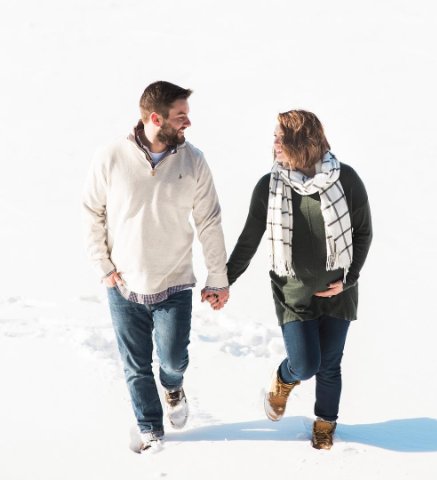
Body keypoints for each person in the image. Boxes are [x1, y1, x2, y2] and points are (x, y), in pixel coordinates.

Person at [82, 81, 229, 453]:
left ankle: (174, 385)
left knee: (173, 358)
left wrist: (218, 278)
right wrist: (104, 265)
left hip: (175, 280)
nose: (188, 123)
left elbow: (209, 220)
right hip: (124, 283)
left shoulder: (193, 160)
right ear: (154, 118)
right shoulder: (111, 157)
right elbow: (92, 212)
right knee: (135, 365)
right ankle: (151, 431)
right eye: (181, 116)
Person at [224, 110, 372, 450]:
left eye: (281, 137)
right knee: (306, 363)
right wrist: (224, 280)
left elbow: (363, 232)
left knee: (330, 364)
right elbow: (250, 238)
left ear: (302, 142)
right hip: (293, 293)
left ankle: (325, 424)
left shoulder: (345, 179)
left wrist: (349, 280)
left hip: (339, 292)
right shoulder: (270, 186)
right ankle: (284, 379)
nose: (274, 143)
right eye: (274, 137)